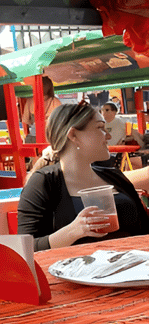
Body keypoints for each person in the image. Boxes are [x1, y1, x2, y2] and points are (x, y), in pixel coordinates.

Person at [17, 101, 149, 251]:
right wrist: (73, 231)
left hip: (132, 266)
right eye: (100, 128)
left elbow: (145, 230)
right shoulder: (44, 182)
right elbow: (25, 248)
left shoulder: (114, 176)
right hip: (76, 270)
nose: (108, 135)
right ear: (73, 135)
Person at [21, 76, 61, 143]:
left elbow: (26, 120)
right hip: (52, 137)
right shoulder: (56, 102)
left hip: (34, 137)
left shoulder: (30, 101)